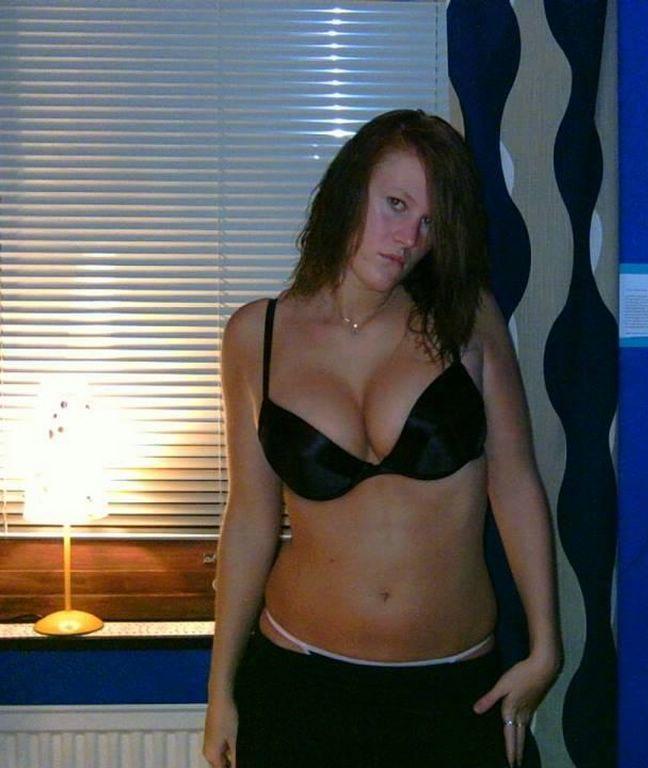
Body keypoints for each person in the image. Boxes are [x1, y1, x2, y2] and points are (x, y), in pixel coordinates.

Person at [202, 110, 561, 768]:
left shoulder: (466, 320)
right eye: (395, 204)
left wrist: (545, 648)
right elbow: (250, 515)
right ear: (349, 189)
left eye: (429, 222)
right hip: (298, 680)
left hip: (451, 692)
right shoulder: (256, 335)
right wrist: (220, 687)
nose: (408, 239)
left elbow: (514, 481)